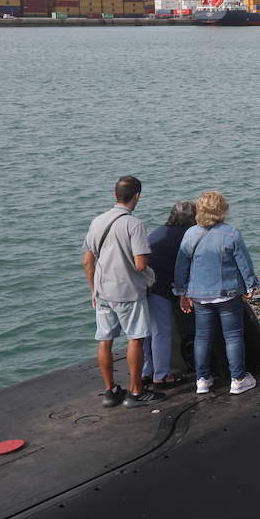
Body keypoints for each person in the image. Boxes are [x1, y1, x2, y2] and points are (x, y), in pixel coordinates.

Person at [82, 175, 166, 408]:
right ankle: (136, 392)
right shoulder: (134, 224)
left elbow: (88, 261)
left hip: (102, 292)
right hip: (128, 292)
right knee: (135, 339)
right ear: (137, 196)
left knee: (105, 340)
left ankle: (110, 392)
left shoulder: (97, 221)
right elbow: (140, 264)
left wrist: (93, 290)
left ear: (114, 195)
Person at [173, 191, 260, 395]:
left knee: (203, 337)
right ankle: (238, 379)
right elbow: (244, 264)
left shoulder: (190, 234)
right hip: (228, 293)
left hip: (200, 295)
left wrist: (182, 293)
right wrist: (251, 286)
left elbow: (181, 267)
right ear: (221, 209)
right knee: (233, 337)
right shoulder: (231, 233)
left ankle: (202, 379)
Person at [142, 200, 195, 387]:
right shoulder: (187, 235)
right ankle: (162, 376)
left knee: (146, 331)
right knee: (161, 331)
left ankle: (146, 371)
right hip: (160, 285)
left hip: (142, 283)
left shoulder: (158, 232)